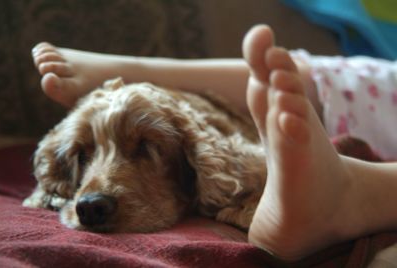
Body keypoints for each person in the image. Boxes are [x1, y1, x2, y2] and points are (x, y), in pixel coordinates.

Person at [31, 24, 397, 261]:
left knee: (294, 88)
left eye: (145, 149)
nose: (93, 197)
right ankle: (141, 74)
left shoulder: (206, 156)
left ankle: (355, 192)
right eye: (85, 153)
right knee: (315, 80)